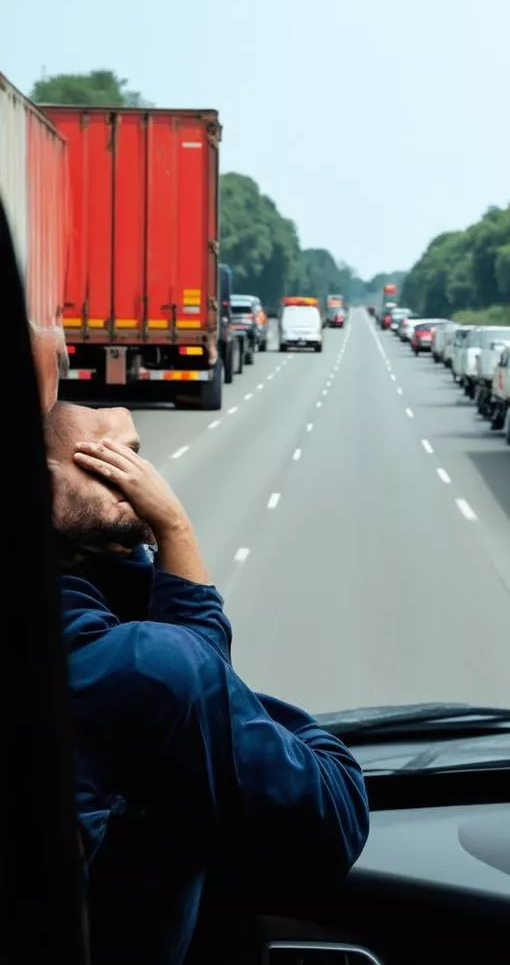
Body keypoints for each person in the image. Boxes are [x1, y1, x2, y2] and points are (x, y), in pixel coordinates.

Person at [45, 401, 370, 965]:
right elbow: (333, 813)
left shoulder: (93, 607)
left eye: (138, 457)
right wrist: (173, 526)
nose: (142, 476)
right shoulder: (141, 664)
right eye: (107, 460)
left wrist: (128, 545)